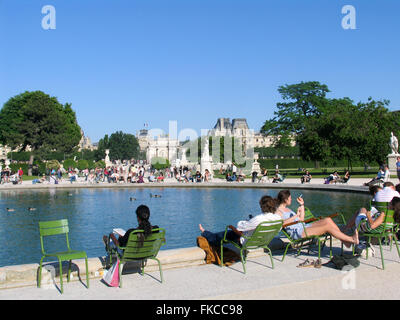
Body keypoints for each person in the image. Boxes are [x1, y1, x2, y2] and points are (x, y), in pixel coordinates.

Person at [276, 190, 359, 248]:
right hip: (298, 232)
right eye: (290, 198)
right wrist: (294, 216)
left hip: (304, 226)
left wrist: (302, 205)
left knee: (328, 220)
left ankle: (345, 241)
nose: (291, 199)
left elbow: (301, 219)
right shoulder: (278, 211)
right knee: (327, 227)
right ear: (285, 199)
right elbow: (281, 224)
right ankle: (351, 240)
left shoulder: (289, 209)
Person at [198, 195, 282, 247]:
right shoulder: (278, 219)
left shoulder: (259, 219)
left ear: (262, 206)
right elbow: (279, 229)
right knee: (225, 234)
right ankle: (208, 234)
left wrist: (246, 221)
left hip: (247, 242)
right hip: (263, 242)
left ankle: (205, 233)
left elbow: (240, 227)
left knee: (224, 234)